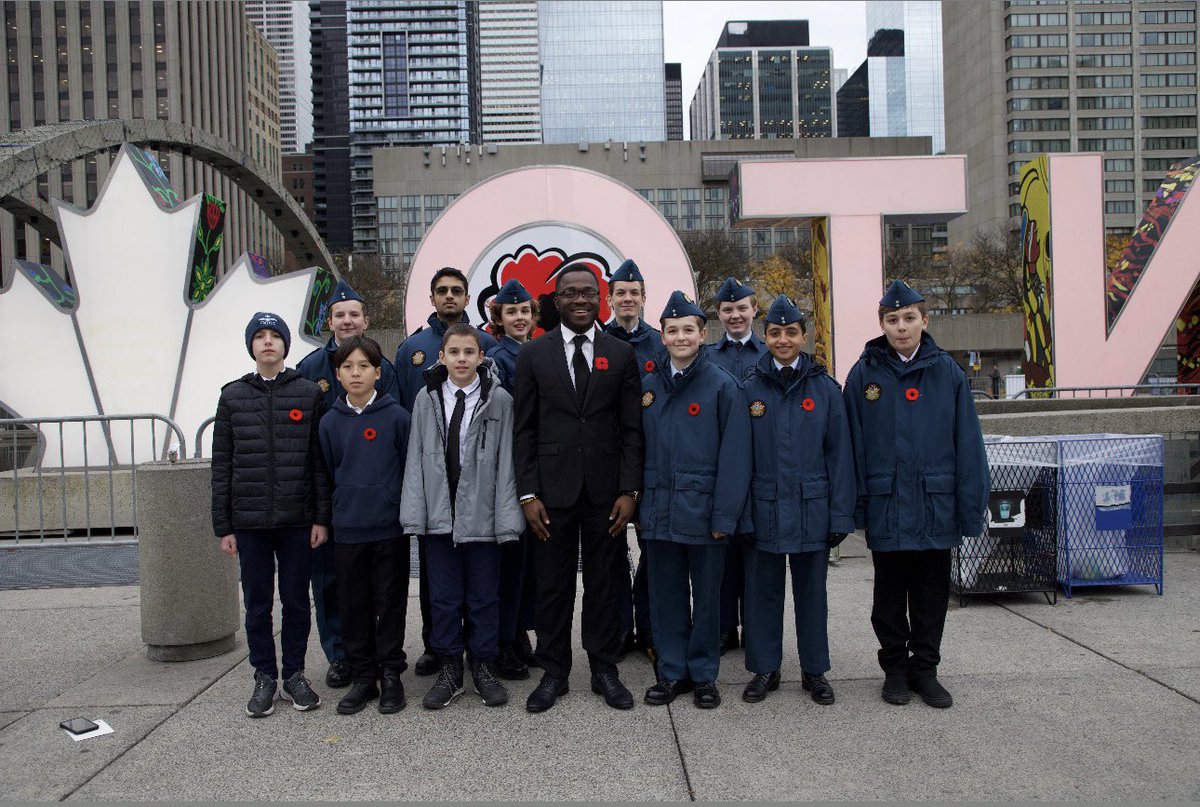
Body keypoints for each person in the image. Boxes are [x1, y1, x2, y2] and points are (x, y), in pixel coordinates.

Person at [843, 279, 989, 709]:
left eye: (909, 318)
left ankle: (925, 669)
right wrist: (854, 507)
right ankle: (895, 669)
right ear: (882, 325)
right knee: (887, 598)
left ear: (924, 321)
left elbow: (969, 444)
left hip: (934, 504)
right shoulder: (864, 373)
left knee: (930, 596)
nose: (901, 327)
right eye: (893, 320)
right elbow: (851, 445)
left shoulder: (947, 372)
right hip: (887, 504)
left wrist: (970, 508)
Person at [513, 264, 644, 713]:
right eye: (571, 293)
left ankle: (604, 668)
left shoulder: (621, 354)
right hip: (551, 494)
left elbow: (631, 429)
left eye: (589, 292)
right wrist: (527, 494)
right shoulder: (534, 354)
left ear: (601, 297)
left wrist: (631, 490)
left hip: (607, 493)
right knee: (552, 585)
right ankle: (554, 672)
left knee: (606, 583)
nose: (581, 300)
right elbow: (524, 430)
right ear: (556, 300)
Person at [212, 312, 330, 718]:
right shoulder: (232, 397)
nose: (267, 342)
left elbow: (319, 463)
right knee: (258, 604)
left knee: (297, 602)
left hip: (297, 520)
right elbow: (222, 465)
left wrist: (320, 518)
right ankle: (264, 676)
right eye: (259, 336)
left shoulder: (308, 393)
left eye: (274, 336)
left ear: (284, 345)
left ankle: (295, 674)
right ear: (251, 346)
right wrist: (223, 525)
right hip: (250, 523)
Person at [401, 324, 524, 710]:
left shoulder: (499, 399)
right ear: (442, 357)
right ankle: (451, 668)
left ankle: (483, 665)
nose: (461, 359)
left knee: (484, 597)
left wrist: (507, 519)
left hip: (482, 517)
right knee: (444, 598)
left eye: (469, 352)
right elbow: (417, 458)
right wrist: (415, 513)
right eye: (453, 352)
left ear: (481, 357)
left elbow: (507, 464)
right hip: (441, 515)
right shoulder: (426, 398)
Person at [739, 295, 855, 706]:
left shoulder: (825, 389)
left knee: (812, 594)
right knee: (762, 593)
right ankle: (764, 668)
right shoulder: (749, 389)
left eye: (791, 332)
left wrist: (841, 513)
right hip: (764, 507)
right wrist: (743, 514)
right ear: (765, 337)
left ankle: (815, 670)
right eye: (774, 333)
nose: (783, 340)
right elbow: (740, 458)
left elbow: (839, 455)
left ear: (803, 336)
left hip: (813, 510)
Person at [639, 291, 751, 709]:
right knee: (665, 597)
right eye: (672, 331)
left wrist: (725, 514)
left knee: (707, 600)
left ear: (704, 334)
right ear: (662, 337)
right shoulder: (648, 386)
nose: (681, 337)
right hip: (659, 511)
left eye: (689, 329)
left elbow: (735, 456)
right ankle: (672, 673)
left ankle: (703, 675)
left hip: (705, 514)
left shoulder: (723, 385)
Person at [297, 279, 400, 690]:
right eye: (339, 314)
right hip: (333, 500)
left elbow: (394, 427)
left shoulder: (384, 367)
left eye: (354, 313)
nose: (347, 320)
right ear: (330, 321)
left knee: (380, 588)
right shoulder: (309, 369)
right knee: (330, 583)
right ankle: (341, 655)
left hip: (377, 502)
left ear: (366, 320)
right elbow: (309, 442)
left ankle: (381, 656)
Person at [395, 267, 498, 677]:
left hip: (479, 494)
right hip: (436, 487)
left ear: (468, 296)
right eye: (443, 291)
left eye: (457, 290)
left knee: (482, 586)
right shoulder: (412, 348)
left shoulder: (487, 343)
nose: (450, 296)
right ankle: (439, 650)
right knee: (438, 586)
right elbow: (406, 416)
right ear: (432, 297)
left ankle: (483, 657)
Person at [318, 335, 411, 716]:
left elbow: (409, 472)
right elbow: (324, 475)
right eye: (347, 367)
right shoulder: (329, 423)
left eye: (363, 366)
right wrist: (325, 519)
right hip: (348, 530)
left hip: (389, 528)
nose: (356, 374)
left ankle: (391, 673)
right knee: (353, 604)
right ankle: (362, 677)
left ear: (378, 372)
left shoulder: (397, 417)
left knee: (390, 603)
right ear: (338, 374)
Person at [602, 258, 662, 659]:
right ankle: (620, 630)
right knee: (611, 556)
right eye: (620, 292)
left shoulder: (661, 341)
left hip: (653, 462)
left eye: (634, 292)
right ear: (610, 298)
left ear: (644, 298)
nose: (627, 299)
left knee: (653, 554)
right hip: (609, 465)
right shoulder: (597, 342)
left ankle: (652, 630)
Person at [485, 278, 540, 679]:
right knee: (507, 562)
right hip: (509, 468)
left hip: (537, 465)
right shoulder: (495, 357)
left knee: (528, 563)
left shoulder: (539, 352)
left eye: (524, 311)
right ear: (499, 319)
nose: (519, 317)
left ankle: (520, 634)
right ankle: (503, 642)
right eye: (511, 312)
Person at [707, 276, 765, 655]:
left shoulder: (770, 352)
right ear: (719, 314)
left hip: (764, 468)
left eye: (742, 308)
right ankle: (725, 626)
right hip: (722, 467)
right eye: (728, 309)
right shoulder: (708, 357)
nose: (735, 315)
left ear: (754, 310)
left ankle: (757, 630)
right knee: (723, 559)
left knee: (758, 559)